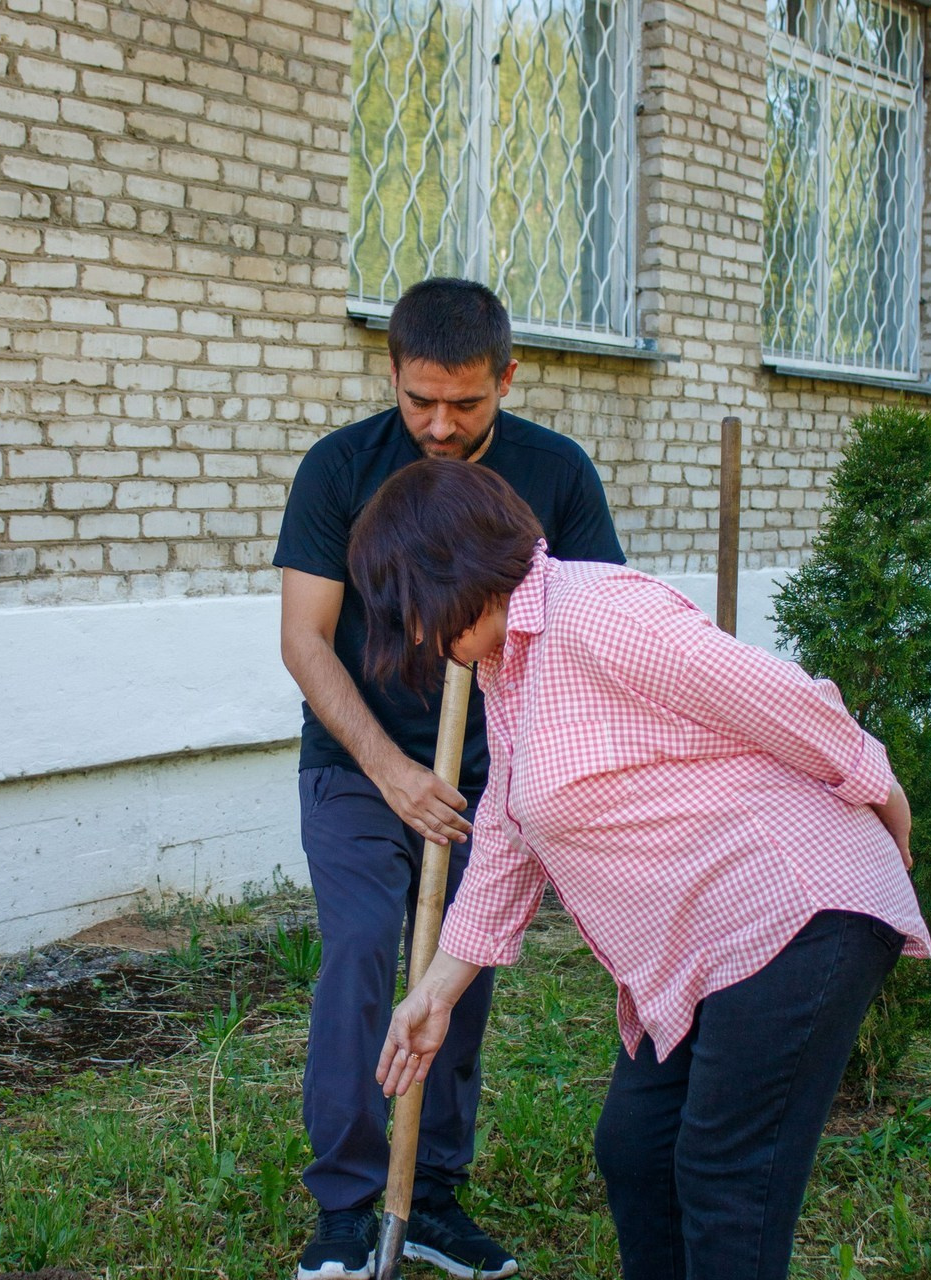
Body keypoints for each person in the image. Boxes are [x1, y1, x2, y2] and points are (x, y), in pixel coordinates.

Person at [350, 459, 931, 1280]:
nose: (412, 635)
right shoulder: (507, 663)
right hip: (708, 944)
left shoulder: (601, 614)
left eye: (408, 610)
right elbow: (513, 835)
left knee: (724, 1176)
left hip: (797, 907)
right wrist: (435, 994)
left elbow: (784, 700)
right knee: (636, 1151)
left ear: (452, 568)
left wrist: (888, 801)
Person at [273, 279, 625, 1280]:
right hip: (357, 759)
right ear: (391, 374)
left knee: (459, 973)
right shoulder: (340, 468)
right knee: (355, 951)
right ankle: (346, 1206)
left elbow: (594, 622)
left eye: (464, 404)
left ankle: (426, 1195)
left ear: (507, 378)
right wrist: (387, 771)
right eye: (418, 398)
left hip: (492, 773)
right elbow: (304, 641)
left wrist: (525, 770)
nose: (438, 423)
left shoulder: (553, 474)